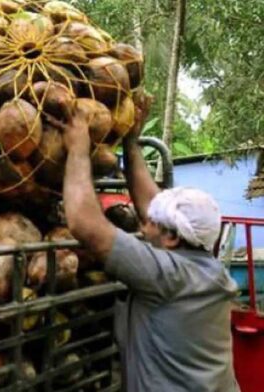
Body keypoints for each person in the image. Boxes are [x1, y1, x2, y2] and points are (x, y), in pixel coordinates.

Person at [61, 95, 240, 392]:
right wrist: (131, 143)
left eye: (150, 223)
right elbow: (153, 205)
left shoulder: (168, 275)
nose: (143, 225)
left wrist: (78, 148)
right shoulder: (209, 267)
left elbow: (83, 222)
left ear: (171, 238)